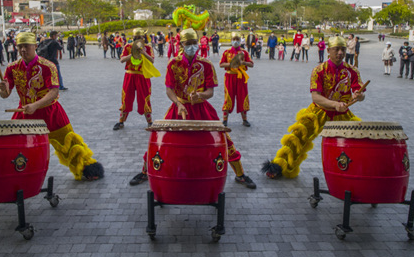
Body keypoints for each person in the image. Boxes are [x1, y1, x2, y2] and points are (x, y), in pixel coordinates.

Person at [128, 28, 255, 188]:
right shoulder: (173, 64)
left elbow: (210, 91)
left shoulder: (206, 64)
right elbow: (169, 89)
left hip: (202, 109)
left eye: (194, 43)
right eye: (188, 43)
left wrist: (201, 96)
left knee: (224, 139)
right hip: (178, 109)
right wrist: (179, 103)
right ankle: (145, 171)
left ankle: (240, 174)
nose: (192, 46)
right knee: (159, 140)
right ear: (181, 44)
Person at [0, 32, 103, 181]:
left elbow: (54, 92)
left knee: (68, 143)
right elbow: (5, 94)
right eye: (20, 46)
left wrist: (35, 105)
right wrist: (3, 89)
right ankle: (20, 173)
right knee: (16, 146)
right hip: (25, 113)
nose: (23, 50)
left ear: (35, 46)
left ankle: (87, 168)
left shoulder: (48, 66)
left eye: (26, 46)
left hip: (50, 112)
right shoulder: (12, 68)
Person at [263, 36, 366, 179]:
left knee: (358, 138)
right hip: (319, 110)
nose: (340, 53)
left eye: (343, 49)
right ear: (328, 51)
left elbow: (359, 92)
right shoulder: (319, 70)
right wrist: (335, 104)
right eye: (337, 49)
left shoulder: (352, 71)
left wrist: (359, 96)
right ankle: (280, 166)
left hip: (342, 113)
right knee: (298, 137)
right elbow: (316, 97)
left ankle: (358, 171)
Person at [114, 28, 157, 130]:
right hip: (130, 75)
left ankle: (150, 122)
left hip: (142, 75)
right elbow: (122, 60)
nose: (137, 39)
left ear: (143, 38)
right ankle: (121, 121)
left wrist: (143, 53)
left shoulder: (147, 47)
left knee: (144, 97)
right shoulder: (128, 46)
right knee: (126, 97)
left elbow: (152, 60)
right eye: (135, 38)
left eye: (139, 37)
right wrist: (131, 54)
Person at [219, 33, 254, 127]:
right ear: (231, 41)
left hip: (241, 77)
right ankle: (225, 119)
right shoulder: (227, 52)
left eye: (237, 40)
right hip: (230, 77)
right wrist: (231, 64)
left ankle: (245, 119)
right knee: (228, 96)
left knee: (242, 96)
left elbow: (251, 64)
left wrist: (244, 63)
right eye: (234, 39)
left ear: (240, 41)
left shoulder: (244, 52)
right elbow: (221, 64)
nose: (235, 41)